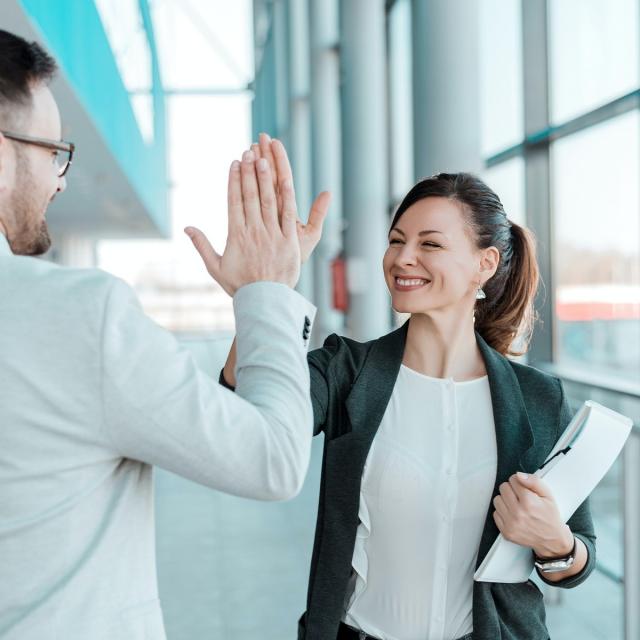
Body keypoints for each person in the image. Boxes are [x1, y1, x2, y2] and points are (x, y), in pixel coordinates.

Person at [0, 30, 330, 640]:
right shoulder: (78, 316)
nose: (61, 181)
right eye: (53, 153)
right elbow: (272, 461)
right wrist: (268, 291)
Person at [221, 143, 597, 640]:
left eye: (430, 244)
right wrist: (261, 292)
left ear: (484, 264)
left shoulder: (538, 397)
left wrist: (555, 542)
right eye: (397, 240)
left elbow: (576, 555)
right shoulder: (345, 370)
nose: (403, 258)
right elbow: (243, 423)